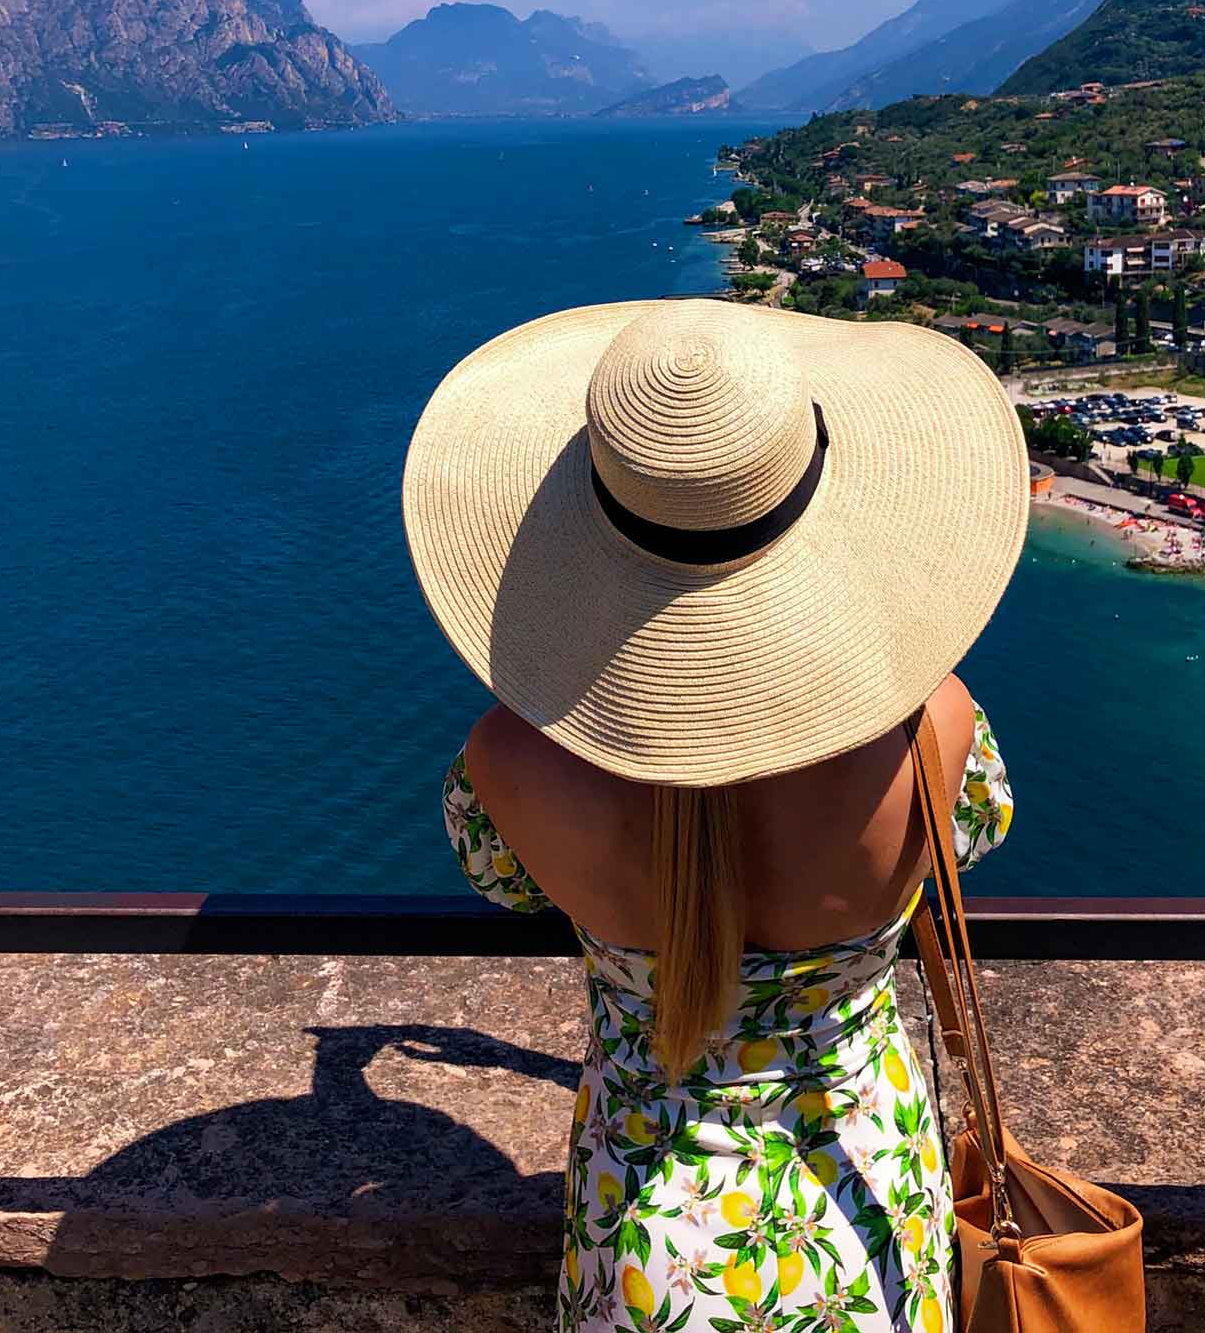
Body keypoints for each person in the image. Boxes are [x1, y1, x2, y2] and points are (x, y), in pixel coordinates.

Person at [405, 298, 1028, 1333]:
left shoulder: (509, 759)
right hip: (864, 1204)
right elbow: (974, 831)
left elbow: (502, 879)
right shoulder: (935, 727)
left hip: (641, 1234)